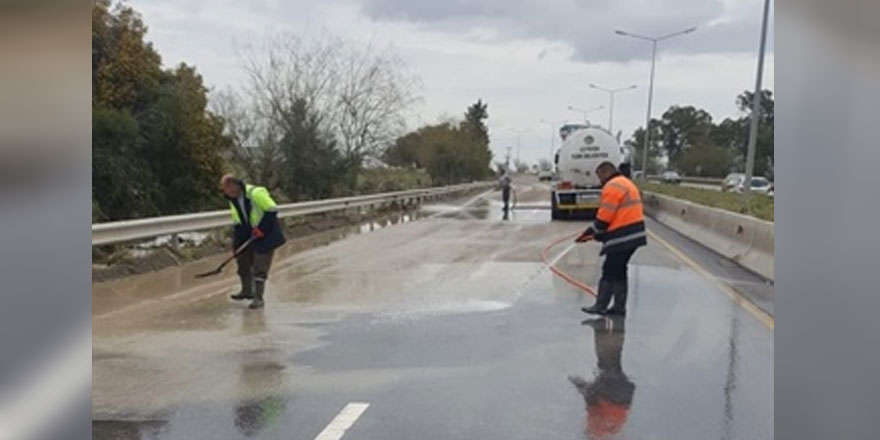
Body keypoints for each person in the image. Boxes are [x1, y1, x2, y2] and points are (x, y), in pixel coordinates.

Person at [576, 161, 646, 316]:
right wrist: (597, 234)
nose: (599, 181)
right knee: (619, 270)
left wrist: (591, 232)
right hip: (634, 233)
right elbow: (617, 215)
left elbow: (604, 218)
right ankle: (619, 308)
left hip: (624, 235)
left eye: (599, 176)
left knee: (609, 270)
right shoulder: (625, 183)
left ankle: (601, 305)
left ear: (605, 172)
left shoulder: (612, 186)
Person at [220, 174, 286, 309]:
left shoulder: (255, 193)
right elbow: (238, 221)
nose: (224, 192)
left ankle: (258, 298)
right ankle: (247, 291)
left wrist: (262, 228)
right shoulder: (233, 200)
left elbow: (272, 209)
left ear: (233, 186)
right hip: (248, 233)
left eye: (225, 189)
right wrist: (237, 245)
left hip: (267, 234)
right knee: (243, 261)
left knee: (260, 266)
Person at [569, 316, 635, 439]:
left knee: (612, 361)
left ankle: (608, 328)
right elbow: (591, 397)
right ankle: (601, 327)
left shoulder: (608, 432)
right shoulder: (595, 430)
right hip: (612, 395)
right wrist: (578, 383)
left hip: (621, 397)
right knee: (607, 361)